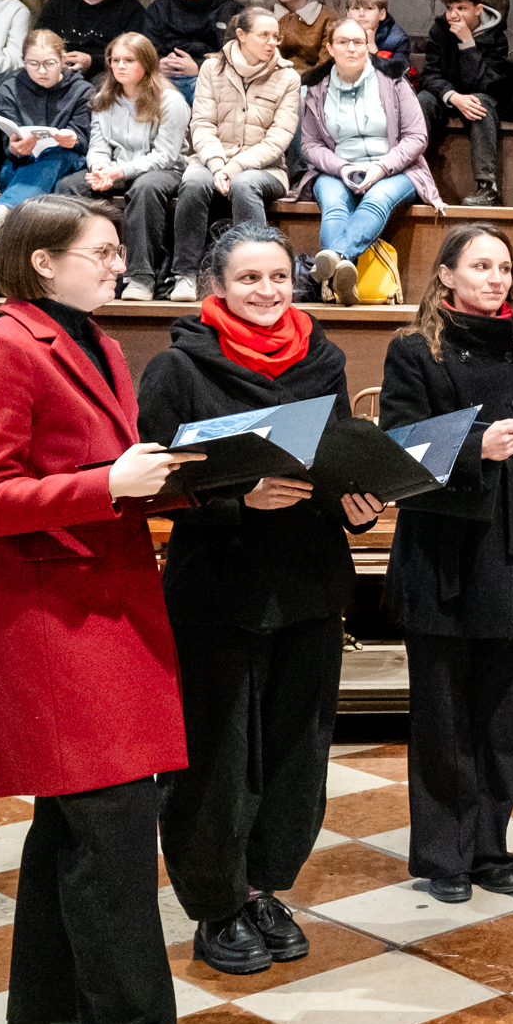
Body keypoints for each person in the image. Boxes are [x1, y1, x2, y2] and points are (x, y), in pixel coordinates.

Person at [0, 193, 215, 1024]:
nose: (119, 262)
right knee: (111, 837)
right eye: (102, 250)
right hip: (53, 626)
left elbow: (109, 479)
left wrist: (195, 480)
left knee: (71, 831)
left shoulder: (97, 344)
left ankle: (47, 1019)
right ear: (43, 261)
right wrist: (109, 481)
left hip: (106, 610)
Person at [138, 224, 382, 974]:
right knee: (216, 758)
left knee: (295, 754)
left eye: (279, 276)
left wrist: (359, 501)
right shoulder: (177, 367)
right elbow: (154, 484)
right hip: (218, 587)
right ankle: (216, 904)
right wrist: (237, 497)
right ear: (217, 286)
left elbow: (334, 456)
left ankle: (262, 886)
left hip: (309, 582)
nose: (268, 291)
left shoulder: (323, 357)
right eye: (249, 279)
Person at [381, 225, 513, 902]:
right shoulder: (414, 349)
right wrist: (475, 447)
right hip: (443, 555)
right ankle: (445, 855)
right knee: (442, 719)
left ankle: (491, 847)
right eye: (481, 266)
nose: (496, 278)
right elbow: (399, 443)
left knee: (501, 718)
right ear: (446, 275)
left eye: (504, 267)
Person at [294, 16, 442, 307]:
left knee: (377, 199)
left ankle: (334, 265)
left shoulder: (393, 81)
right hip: (337, 170)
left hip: (394, 169)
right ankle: (341, 278)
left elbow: (417, 136)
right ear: (330, 48)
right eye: (342, 42)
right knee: (334, 205)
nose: (351, 48)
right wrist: (342, 168)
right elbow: (310, 144)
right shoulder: (316, 88)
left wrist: (381, 167)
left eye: (358, 42)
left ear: (367, 47)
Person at [174, 6, 299, 303]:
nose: (272, 42)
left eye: (276, 37)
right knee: (193, 182)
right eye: (264, 35)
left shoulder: (288, 77)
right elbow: (202, 124)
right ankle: (184, 275)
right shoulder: (212, 68)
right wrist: (218, 164)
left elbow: (279, 138)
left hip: (265, 167)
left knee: (244, 185)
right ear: (241, 35)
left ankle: (255, 272)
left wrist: (234, 168)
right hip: (211, 159)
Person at [73, 34, 190, 303]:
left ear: (146, 63)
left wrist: (118, 172)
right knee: (72, 185)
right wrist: (100, 168)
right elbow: (99, 144)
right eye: (115, 60)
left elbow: (164, 156)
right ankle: (81, 269)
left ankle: (141, 277)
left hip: (165, 170)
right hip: (116, 168)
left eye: (129, 60)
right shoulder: (104, 98)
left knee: (145, 188)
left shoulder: (171, 101)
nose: (120, 66)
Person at [0, 29, 94, 244]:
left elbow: (83, 139)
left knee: (55, 155)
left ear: (63, 59)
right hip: (21, 165)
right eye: (33, 64)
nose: (41, 71)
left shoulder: (81, 90)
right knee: (23, 172)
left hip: (67, 162)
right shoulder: (10, 88)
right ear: (22, 60)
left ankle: (2, 210)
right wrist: (16, 148)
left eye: (50, 63)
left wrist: (73, 138)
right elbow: (9, 143)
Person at [418, 0, 513, 207]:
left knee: (480, 102)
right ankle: (413, 177)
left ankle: (487, 187)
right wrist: (453, 97)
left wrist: (467, 43)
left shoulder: (496, 37)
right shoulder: (439, 31)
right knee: (423, 100)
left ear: (478, 9)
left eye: (461, 8)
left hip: (482, 97)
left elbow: (486, 85)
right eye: (449, 8)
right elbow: (429, 75)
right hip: (448, 97)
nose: (453, 15)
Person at [140, 0, 241, 98]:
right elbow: (144, 48)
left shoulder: (232, 11)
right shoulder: (159, 9)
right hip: (161, 81)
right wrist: (157, 65)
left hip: (214, 83)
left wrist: (199, 67)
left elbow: (239, 56)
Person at [268, 0, 339, 77]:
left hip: (312, 84)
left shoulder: (327, 17)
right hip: (272, 81)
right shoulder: (267, 17)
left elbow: (325, 65)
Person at [338, 0, 416, 81]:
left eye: (369, 8)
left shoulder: (398, 39)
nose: (361, 14)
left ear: (382, 14)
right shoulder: (338, 35)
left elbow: (399, 76)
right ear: (348, 14)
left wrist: (372, 49)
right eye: (356, 8)